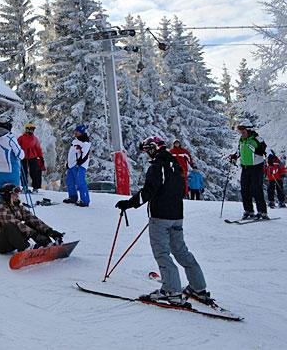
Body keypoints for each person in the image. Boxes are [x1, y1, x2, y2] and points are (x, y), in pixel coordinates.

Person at [115, 137, 210, 306]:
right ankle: (198, 288)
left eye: (148, 150)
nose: (147, 154)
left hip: (160, 217)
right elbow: (180, 189)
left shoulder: (157, 166)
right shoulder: (176, 164)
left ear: (154, 149)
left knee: (162, 253)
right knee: (181, 251)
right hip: (177, 215)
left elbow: (149, 191)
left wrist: (129, 204)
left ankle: (171, 291)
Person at [0, 183, 63, 254]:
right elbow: (17, 224)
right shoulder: (2, 208)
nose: (17, 196)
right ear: (7, 196)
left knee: (30, 222)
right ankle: (25, 248)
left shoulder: (18, 206)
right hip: (0, 244)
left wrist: (50, 231)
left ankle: (47, 243)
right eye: (14, 194)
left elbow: (32, 218)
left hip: (14, 241)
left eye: (17, 194)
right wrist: (34, 234)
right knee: (10, 226)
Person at [0, 117, 24, 232]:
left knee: (2, 198)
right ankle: (14, 224)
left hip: (0, 172)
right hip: (12, 171)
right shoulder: (10, 137)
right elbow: (20, 155)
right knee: (14, 197)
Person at [229, 120, 269, 220]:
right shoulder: (242, 140)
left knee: (256, 190)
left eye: (243, 132)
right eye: (240, 132)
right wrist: (235, 156)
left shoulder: (257, 139)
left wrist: (259, 151)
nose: (242, 134)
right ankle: (249, 211)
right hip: (245, 167)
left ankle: (262, 212)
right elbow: (239, 151)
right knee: (244, 190)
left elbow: (265, 150)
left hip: (256, 167)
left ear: (249, 130)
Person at [63, 124, 91, 207]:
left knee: (80, 182)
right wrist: (68, 163)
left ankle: (85, 200)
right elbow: (72, 153)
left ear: (82, 132)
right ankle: (73, 197)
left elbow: (85, 155)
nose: (75, 132)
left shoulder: (85, 142)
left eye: (77, 131)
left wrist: (79, 164)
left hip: (79, 166)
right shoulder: (75, 141)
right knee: (69, 181)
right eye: (75, 131)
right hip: (71, 165)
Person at [18, 122, 45, 192]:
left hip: (33, 157)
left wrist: (41, 158)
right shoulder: (21, 138)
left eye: (32, 129)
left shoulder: (35, 139)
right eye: (29, 129)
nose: (31, 131)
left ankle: (35, 188)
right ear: (26, 129)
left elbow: (38, 149)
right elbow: (17, 147)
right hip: (23, 157)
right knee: (24, 172)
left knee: (34, 172)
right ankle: (24, 186)